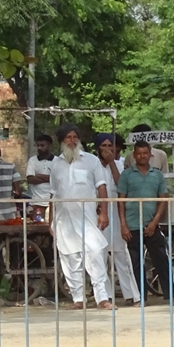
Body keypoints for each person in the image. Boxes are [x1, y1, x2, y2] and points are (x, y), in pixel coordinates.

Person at [49, 122, 113, 310]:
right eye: (68, 137)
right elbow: (53, 194)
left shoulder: (91, 161)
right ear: (62, 141)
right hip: (64, 220)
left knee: (95, 255)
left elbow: (101, 187)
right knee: (70, 258)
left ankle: (102, 298)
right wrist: (50, 220)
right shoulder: (56, 164)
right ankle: (78, 299)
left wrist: (104, 213)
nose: (72, 140)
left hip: (87, 219)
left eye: (75, 137)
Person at [117, 140, 174, 306]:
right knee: (136, 263)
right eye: (139, 153)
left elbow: (163, 200)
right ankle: (141, 298)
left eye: (145, 153)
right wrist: (123, 225)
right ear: (134, 155)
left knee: (162, 259)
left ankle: (172, 296)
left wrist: (154, 222)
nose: (142, 156)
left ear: (150, 154)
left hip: (151, 225)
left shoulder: (157, 175)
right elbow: (120, 202)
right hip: (132, 225)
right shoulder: (126, 175)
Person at [95, 134, 141, 306]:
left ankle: (131, 295)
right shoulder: (93, 165)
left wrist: (112, 163)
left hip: (117, 213)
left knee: (121, 254)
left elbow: (121, 185)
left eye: (110, 146)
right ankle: (106, 295)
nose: (107, 149)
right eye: (104, 146)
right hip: (98, 213)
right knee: (100, 254)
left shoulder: (120, 165)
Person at [26, 133, 55, 221]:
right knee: (38, 226)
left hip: (53, 201)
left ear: (49, 145)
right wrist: (50, 178)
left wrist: (39, 175)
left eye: (42, 145)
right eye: (38, 145)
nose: (39, 148)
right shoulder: (32, 160)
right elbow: (30, 179)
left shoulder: (58, 161)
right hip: (37, 201)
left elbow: (59, 180)